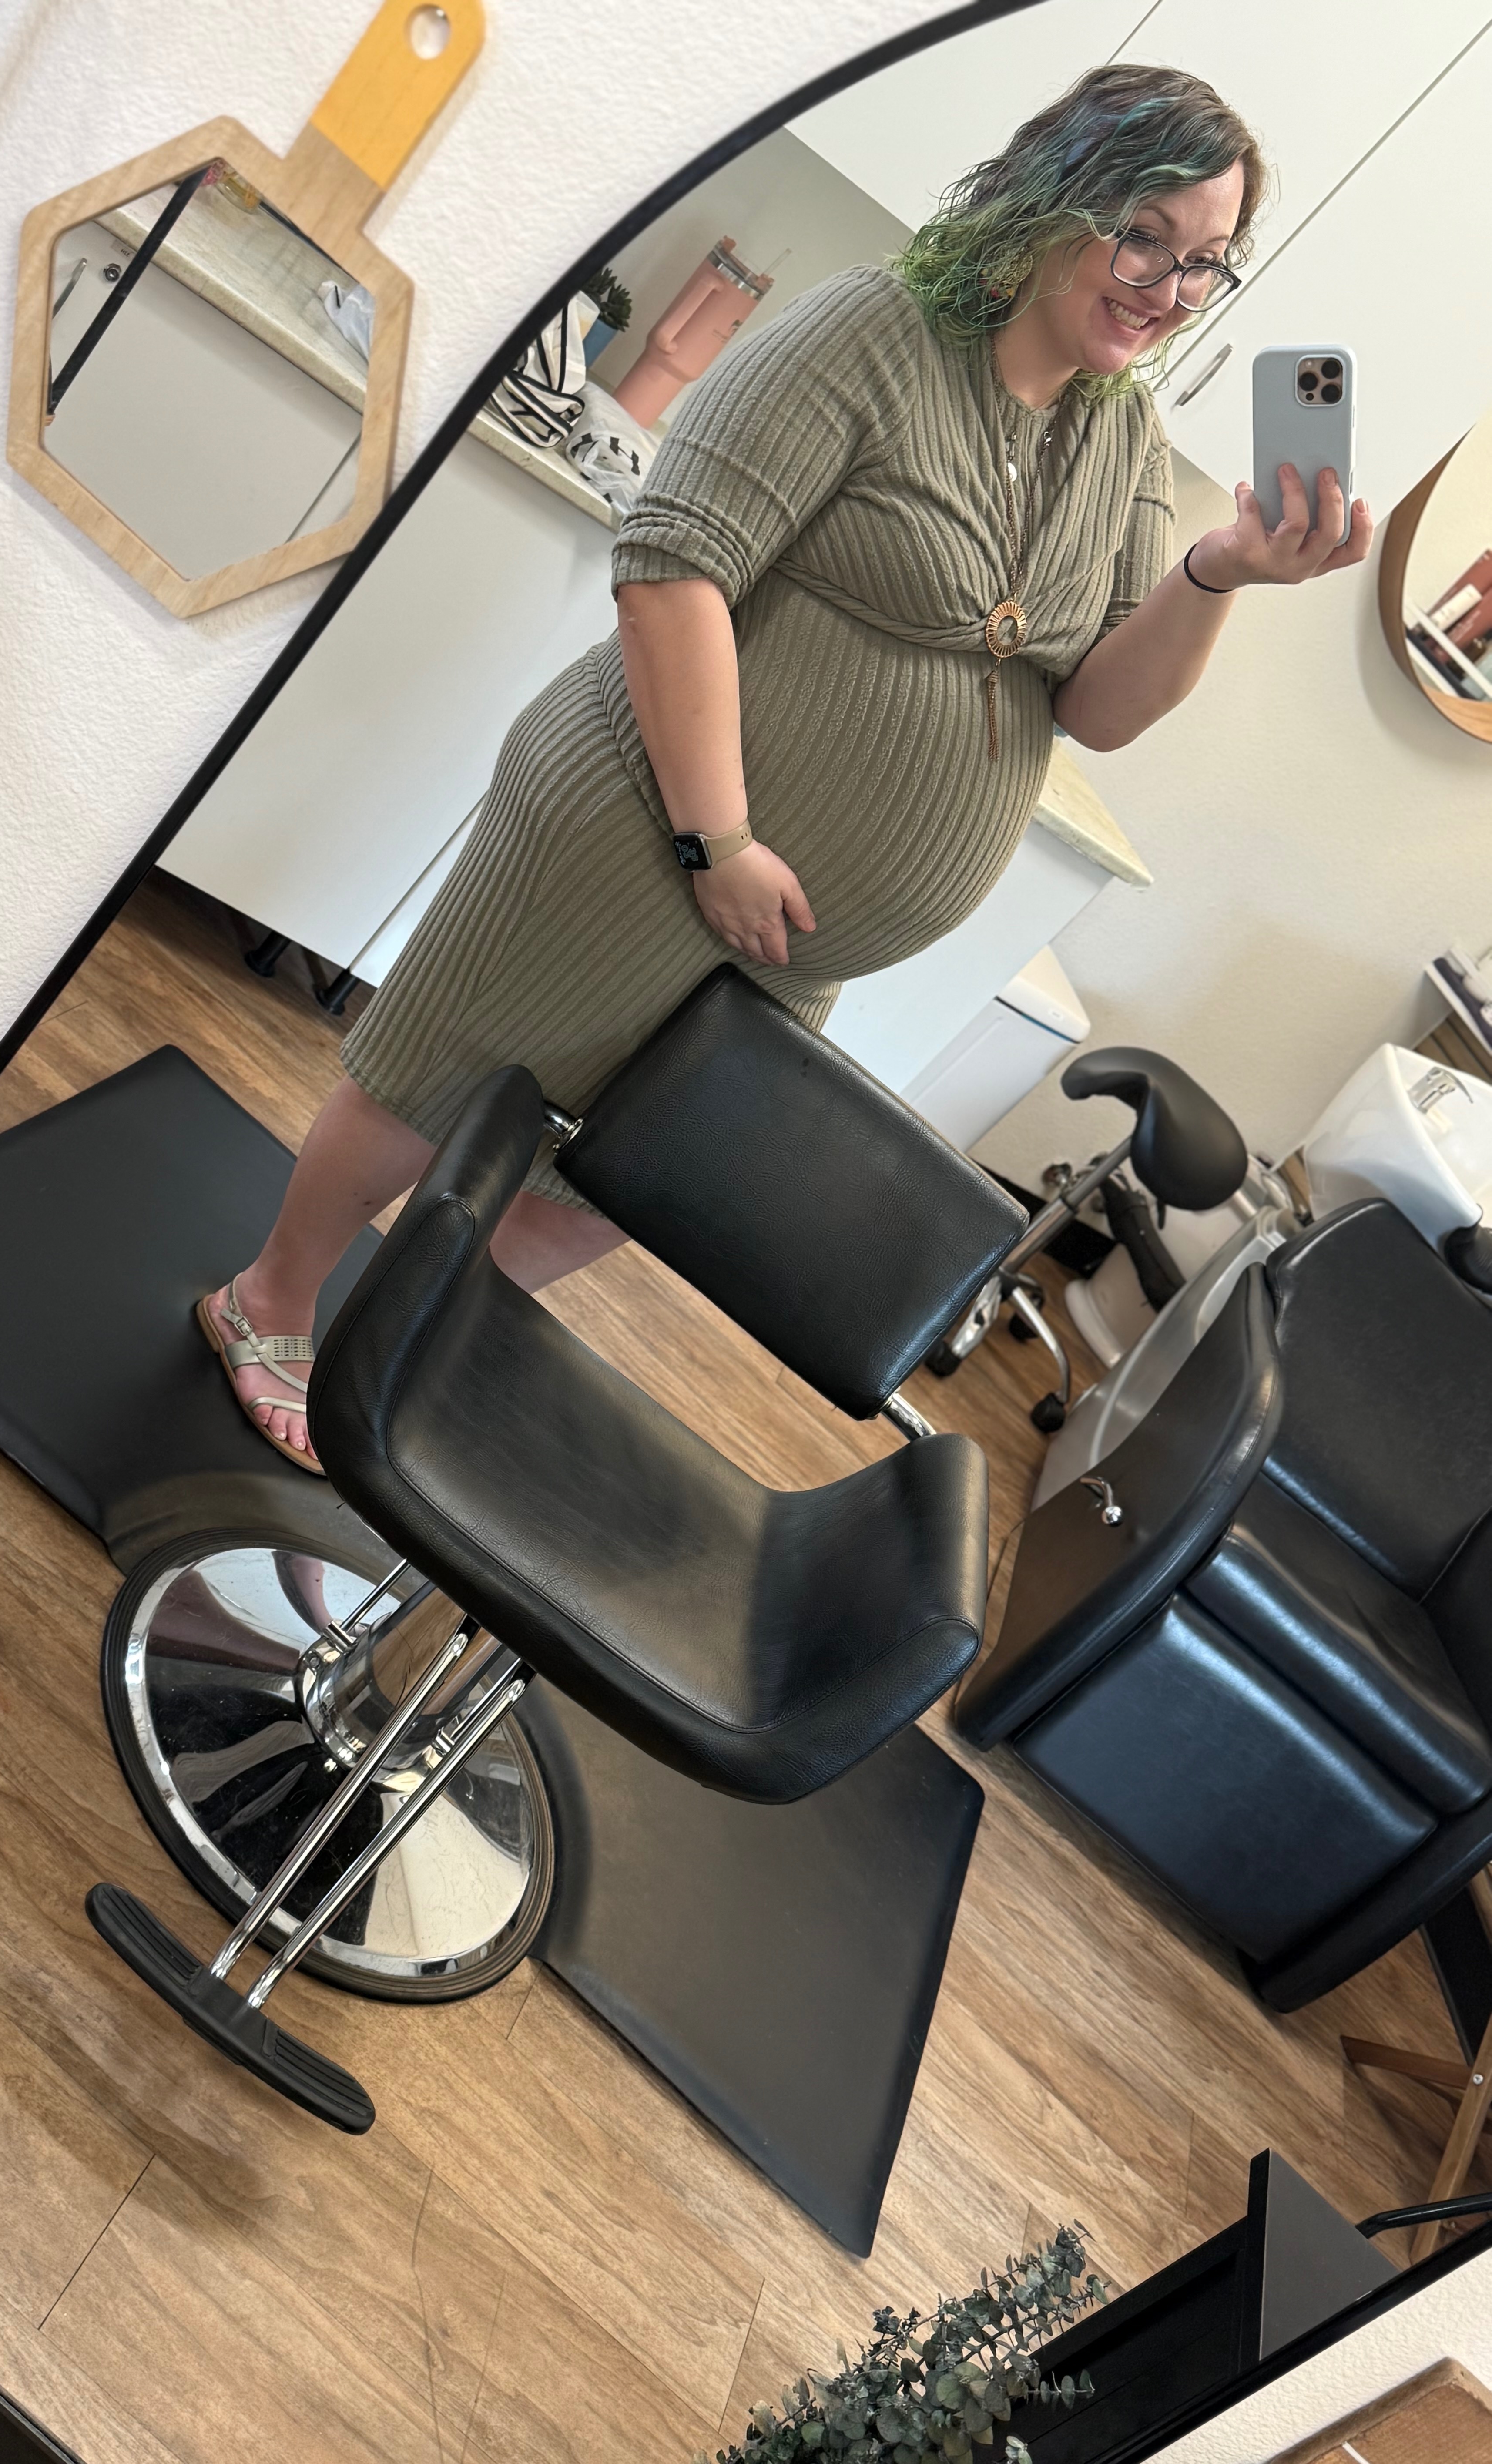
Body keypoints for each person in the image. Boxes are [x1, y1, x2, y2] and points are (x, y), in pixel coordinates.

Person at [199, 62, 1372, 1472]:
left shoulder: (1119, 434)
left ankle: (396, 1342)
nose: (1170, 290)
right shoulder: (872, 330)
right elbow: (673, 568)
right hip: (641, 836)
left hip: (792, 931)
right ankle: (270, 1301)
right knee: (434, 1075)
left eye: (1204, 263)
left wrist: (1218, 570)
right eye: (1144, 238)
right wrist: (718, 842)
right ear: (1049, 201)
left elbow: (1101, 709)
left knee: (624, 1176)